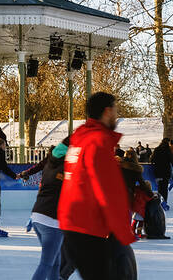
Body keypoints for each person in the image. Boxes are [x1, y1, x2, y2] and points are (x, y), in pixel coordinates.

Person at [58, 92, 135, 280]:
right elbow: (108, 191)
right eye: (116, 110)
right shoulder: (98, 141)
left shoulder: (80, 138)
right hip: (87, 226)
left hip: (72, 222)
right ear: (107, 111)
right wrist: (123, 232)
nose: (117, 115)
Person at [29, 138, 68, 279]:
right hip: (52, 221)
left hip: (38, 217)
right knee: (46, 264)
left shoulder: (49, 167)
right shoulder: (66, 171)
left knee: (55, 263)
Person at [119, 149, 153, 239]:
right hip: (127, 193)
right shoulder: (135, 169)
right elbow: (142, 184)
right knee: (127, 213)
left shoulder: (118, 166)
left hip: (115, 192)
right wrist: (150, 193)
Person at [151, 138, 173, 210]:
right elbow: (172, 160)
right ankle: (164, 203)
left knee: (159, 188)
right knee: (164, 189)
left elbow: (152, 159)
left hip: (157, 172)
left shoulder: (156, 149)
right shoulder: (167, 150)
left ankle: (159, 203)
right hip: (165, 173)